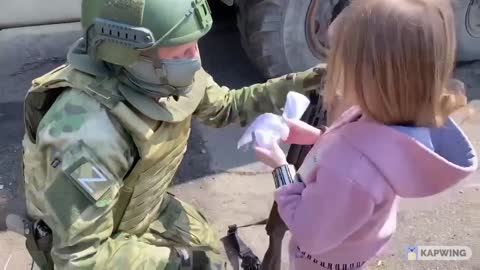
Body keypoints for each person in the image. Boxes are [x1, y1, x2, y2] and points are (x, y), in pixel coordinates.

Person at [21, 0, 327, 269]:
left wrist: (308, 81)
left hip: (138, 208)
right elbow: (79, 258)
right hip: (95, 244)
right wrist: (173, 265)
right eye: (182, 51)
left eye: (194, 44)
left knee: (207, 249)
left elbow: (227, 106)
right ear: (131, 54)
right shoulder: (87, 136)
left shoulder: (164, 77)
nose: (195, 58)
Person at [253, 0, 478, 269]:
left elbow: (308, 231)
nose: (331, 68)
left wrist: (281, 169)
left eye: (336, 58)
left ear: (369, 77)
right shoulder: (393, 120)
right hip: (354, 247)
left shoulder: (349, 170)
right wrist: (320, 138)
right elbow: (362, 148)